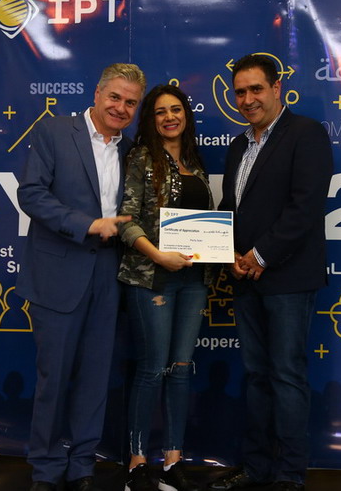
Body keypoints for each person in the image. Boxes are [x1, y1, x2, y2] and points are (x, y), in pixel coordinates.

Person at [17, 63, 146, 491]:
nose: (121, 108)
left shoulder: (133, 151)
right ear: (97, 94)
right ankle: (47, 468)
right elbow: (31, 194)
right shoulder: (55, 131)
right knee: (53, 379)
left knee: (95, 379)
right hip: (58, 273)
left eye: (131, 102)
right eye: (115, 97)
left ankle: (82, 466)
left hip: (110, 276)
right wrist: (87, 224)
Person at [209, 54, 333, 491]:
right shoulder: (238, 146)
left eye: (256, 89)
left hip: (287, 279)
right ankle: (256, 467)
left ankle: (289, 475)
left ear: (277, 88)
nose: (248, 99)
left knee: (285, 376)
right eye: (240, 92)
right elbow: (232, 209)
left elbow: (305, 207)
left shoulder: (306, 134)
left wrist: (259, 256)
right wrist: (224, 250)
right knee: (257, 376)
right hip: (244, 278)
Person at [119, 84, 216, 491]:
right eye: (160, 112)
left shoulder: (195, 160)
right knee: (152, 368)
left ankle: (173, 461)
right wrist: (158, 256)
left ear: (186, 115)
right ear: (151, 119)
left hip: (194, 279)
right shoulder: (141, 157)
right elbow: (126, 220)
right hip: (152, 278)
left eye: (176, 109)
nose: (170, 117)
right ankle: (137, 463)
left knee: (180, 369)